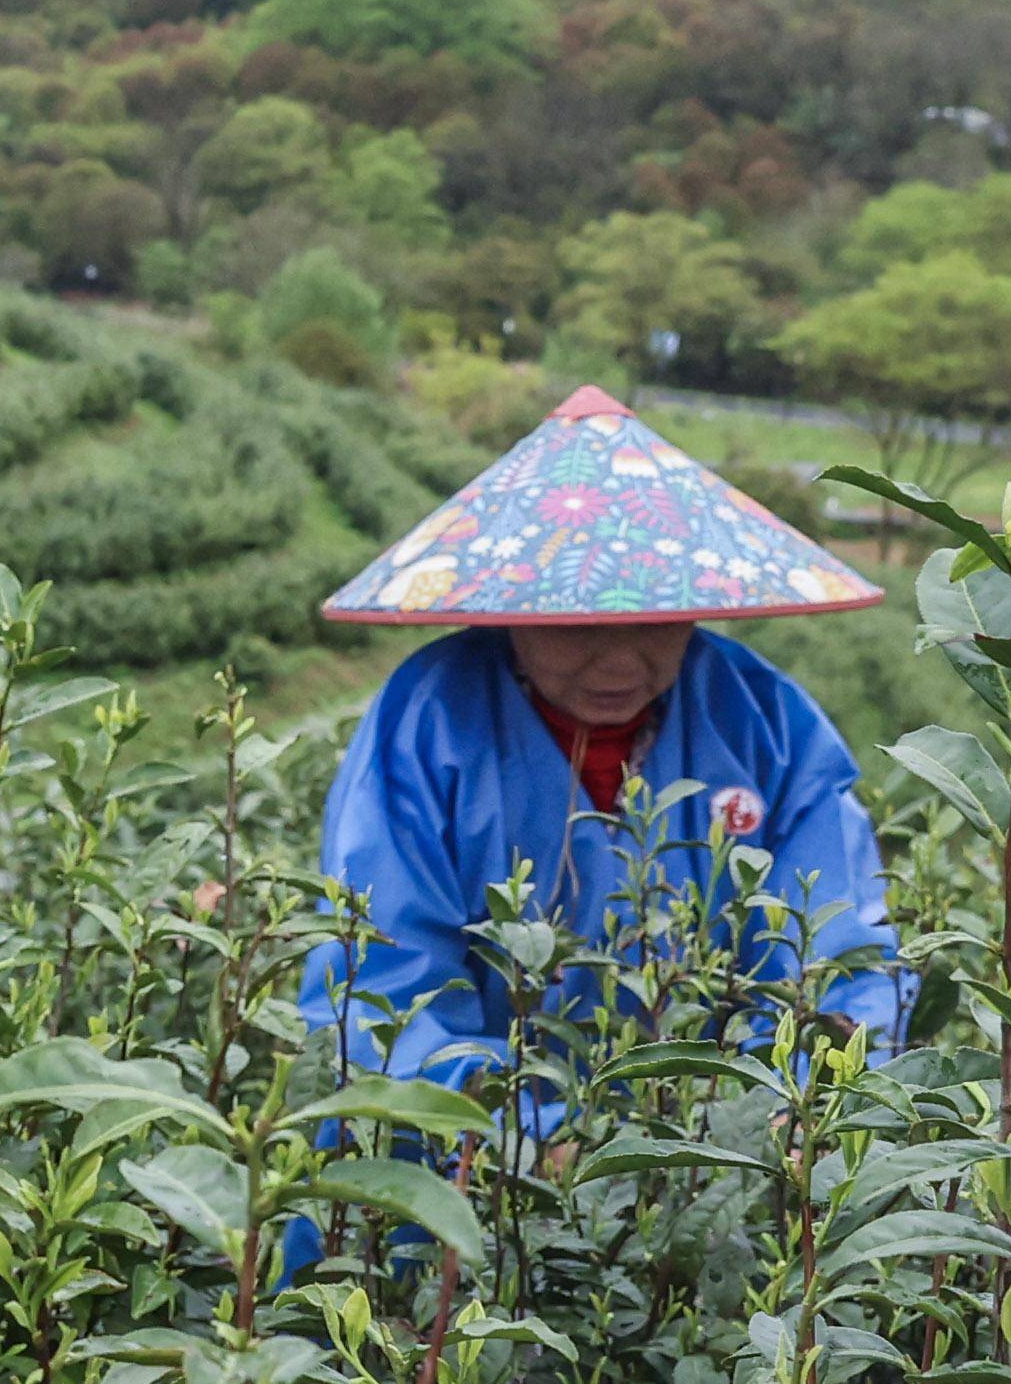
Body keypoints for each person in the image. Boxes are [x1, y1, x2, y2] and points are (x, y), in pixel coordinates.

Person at [301, 385, 905, 1105]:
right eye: (579, 626)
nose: (619, 665)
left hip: (714, 1162)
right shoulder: (428, 724)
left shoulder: (765, 724)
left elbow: (838, 964)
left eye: (656, 624)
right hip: (481, 1171)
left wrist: (775, 1114)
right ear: (512, 606)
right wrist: (516, 1137)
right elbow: (385, 991)